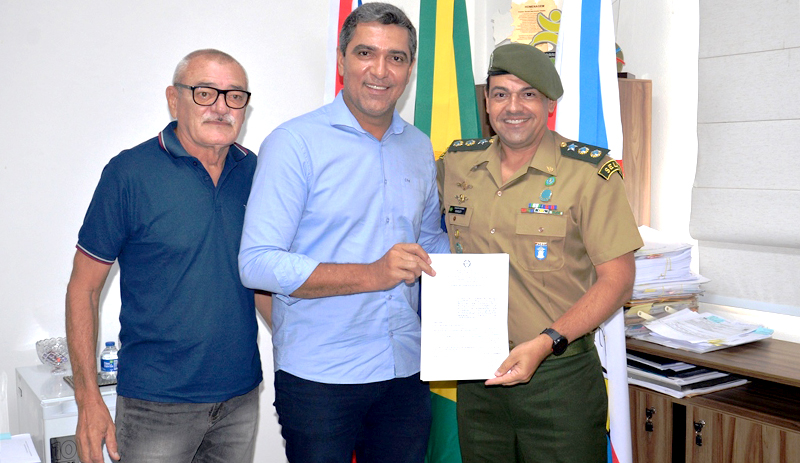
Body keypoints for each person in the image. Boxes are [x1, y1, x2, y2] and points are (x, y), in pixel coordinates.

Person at [238, 3, 449, 462]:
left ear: (410, 68)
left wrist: (481, 286)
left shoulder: (418, 146)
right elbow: (257, 263)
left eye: (396, 57)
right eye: (365, 53)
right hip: (321, 378)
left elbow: (431, 243)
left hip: (405, 369)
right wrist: (373, 274)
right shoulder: (294, 144)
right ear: (341, 60)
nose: (380, 70)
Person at [436, 43, 643, 462]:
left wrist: (548, 342)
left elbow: (619, 281)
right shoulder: (457, 164)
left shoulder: (589, 173)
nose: (513, 107)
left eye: (527, 94)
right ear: (487, 103)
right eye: (501, 94)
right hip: (478, 377)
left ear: (549, 103)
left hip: (558, 378)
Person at [65, 49, 270, 463]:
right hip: (155, 405)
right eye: (205, 93)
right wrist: (88, 399)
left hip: (239, 398)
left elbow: (262, 279)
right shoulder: (129, 174)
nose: (221, 107)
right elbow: (83, 289)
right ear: (174, 100)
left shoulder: (257, 173)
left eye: (234, 96)